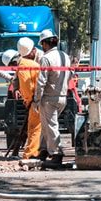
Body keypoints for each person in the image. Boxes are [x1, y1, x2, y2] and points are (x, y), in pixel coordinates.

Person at [34, 29, 71, 169]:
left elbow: (41, 81)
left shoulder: (46, 58)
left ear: (44, 43)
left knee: (51, 126)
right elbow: (70, 75)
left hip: (49, 98)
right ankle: (43, 151)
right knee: (47, 125)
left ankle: (57, 154)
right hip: (62, 96)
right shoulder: (65, 56)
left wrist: (36, 99)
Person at [13, 40, 44, 161]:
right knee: (38, 128)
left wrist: (28, 100)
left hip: (36, 99)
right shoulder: (28, 63)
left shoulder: (30, 63)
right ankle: (37, 152)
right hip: (39, 99)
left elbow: (27, 86)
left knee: (35, 128)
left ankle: (31, 154)